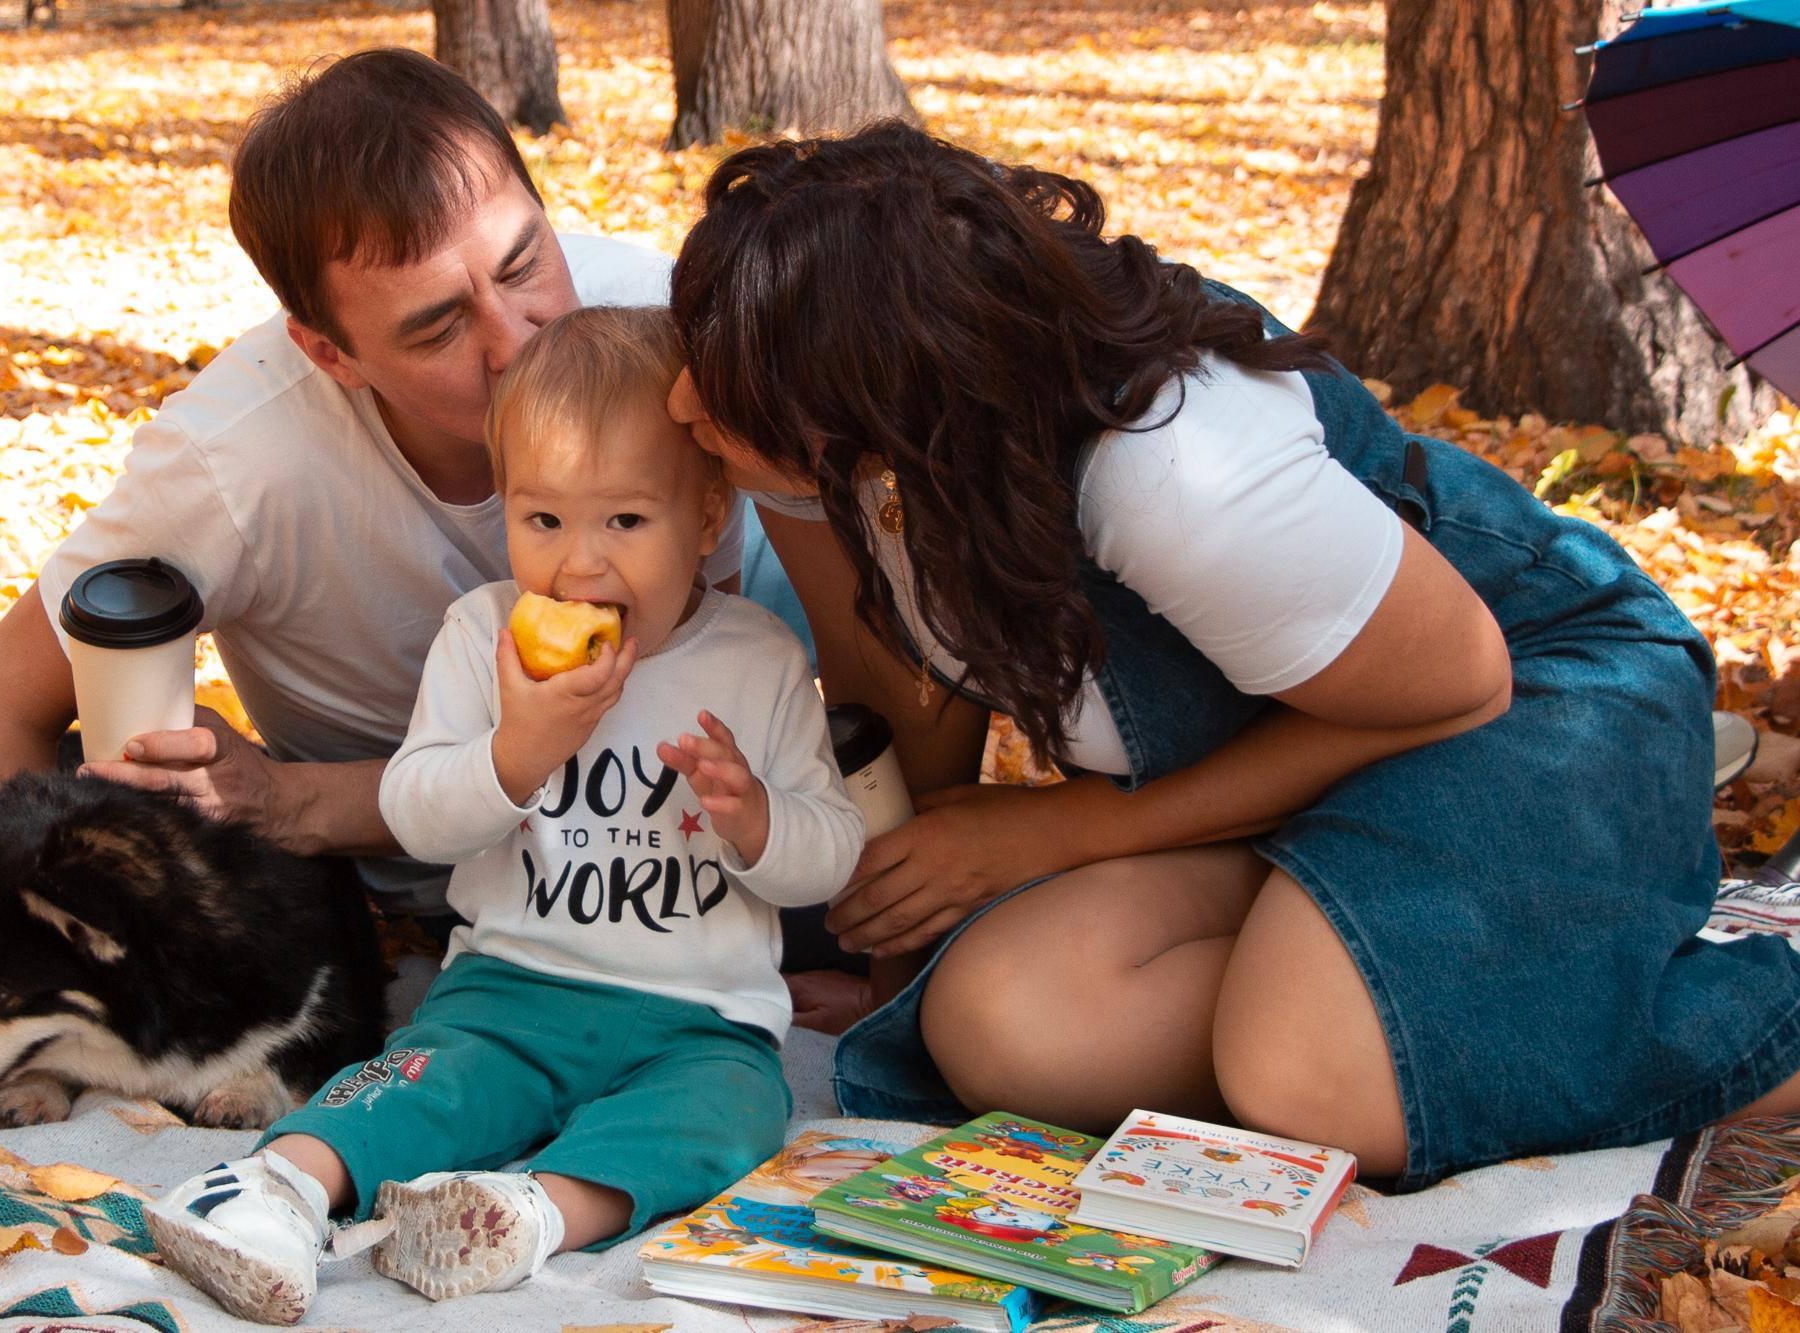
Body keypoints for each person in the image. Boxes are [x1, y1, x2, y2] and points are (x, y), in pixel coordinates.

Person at [662, 122, 1800, 1189]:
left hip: (1526, 697)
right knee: (998, 1024)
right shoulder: (824, 449)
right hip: (1287, 766)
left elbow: (1459, 682)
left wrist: (1064, 828)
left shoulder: (1173, 474)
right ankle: (1417, 984)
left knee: (1305, 1081)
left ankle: (1740, 1024)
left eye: (716, 379)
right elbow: (892, 702)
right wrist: (889, 959)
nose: (678, 401)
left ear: (875, 408)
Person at [0, 47, 809, 1117]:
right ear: (330, 353)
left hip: (735, 851)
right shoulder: (237, 457)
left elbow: (860, 588)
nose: (521, 342)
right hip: (442, 891)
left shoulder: (665, 324)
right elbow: (11, 689)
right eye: (435, 325)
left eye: (522, 263)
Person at [140, 305, 863, 1323]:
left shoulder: (756, 661)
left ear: (706, 518)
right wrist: (517, 750)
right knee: (418, 1082)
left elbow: (829, 856)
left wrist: (756, 824)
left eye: (624, 521)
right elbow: (416, 813)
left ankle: (523, 1215)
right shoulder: (482, 636)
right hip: (511, 988)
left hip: (697, 1018)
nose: (579, 564)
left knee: (732, 1119)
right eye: (542, 520)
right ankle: (269, 1189)